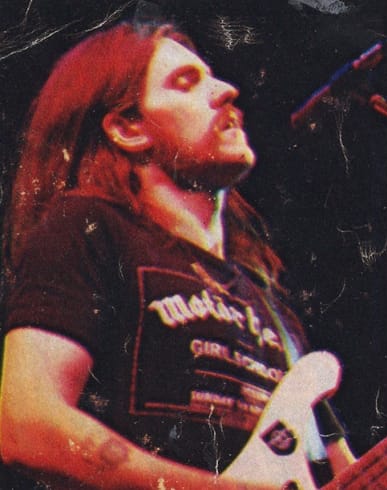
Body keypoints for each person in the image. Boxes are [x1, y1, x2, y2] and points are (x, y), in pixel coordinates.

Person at [0, 20, 355, 489]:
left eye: (213, 77)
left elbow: (349, 472)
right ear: (128, 129)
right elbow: (25, 425)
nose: (227, 91)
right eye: (186, 83)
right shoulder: (90, 227)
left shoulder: (268, 302)